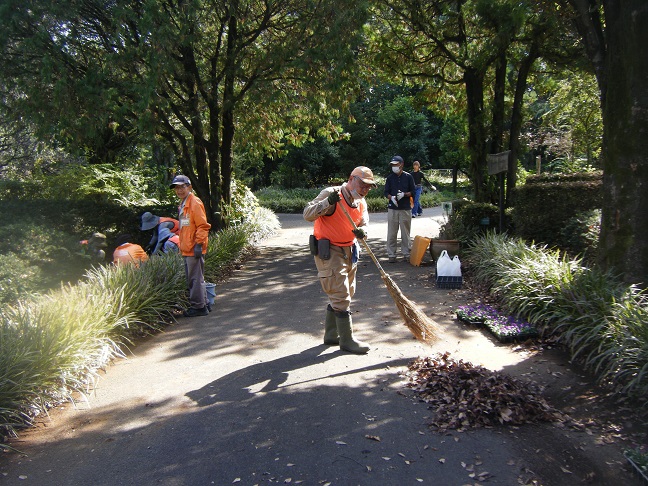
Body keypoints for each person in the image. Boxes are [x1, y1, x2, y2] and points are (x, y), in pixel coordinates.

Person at [303, 166, 377, 354]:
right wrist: (327, 203)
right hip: (330, 250)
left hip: (350, 250)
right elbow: (307, 214)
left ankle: (331, 335)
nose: (365, 189)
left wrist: (364, 232)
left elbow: (364, 222)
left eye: (369, 187)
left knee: (347, 292)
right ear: (351, 179)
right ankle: (347, 340)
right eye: (362, 184)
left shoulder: (361, 202)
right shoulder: (332, 193)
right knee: (341, 294)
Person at [170, 174, 211, 317]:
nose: (179, 190)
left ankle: (199, 307)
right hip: (188, 247)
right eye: (176, 188)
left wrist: (199, 245)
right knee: (195, 277)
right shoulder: (184, 203)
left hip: (194, 247)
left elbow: (203, 226)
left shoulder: (194, 202)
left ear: (189, 187)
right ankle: (204, 303)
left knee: (194, 278)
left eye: (182, 187)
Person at [384, 155, 416, 262]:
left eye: (396, 164)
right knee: (392, 232)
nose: (394, 167)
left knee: (405, 233)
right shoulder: (389, 178)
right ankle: (391, 254)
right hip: (392, 208)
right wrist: (391, 197)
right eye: (392, 165)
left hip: (405, 208)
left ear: (401, 164)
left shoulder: (408, 177)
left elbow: (413, 191)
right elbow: (385, 192)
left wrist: (404, 194)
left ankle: (406, 253)